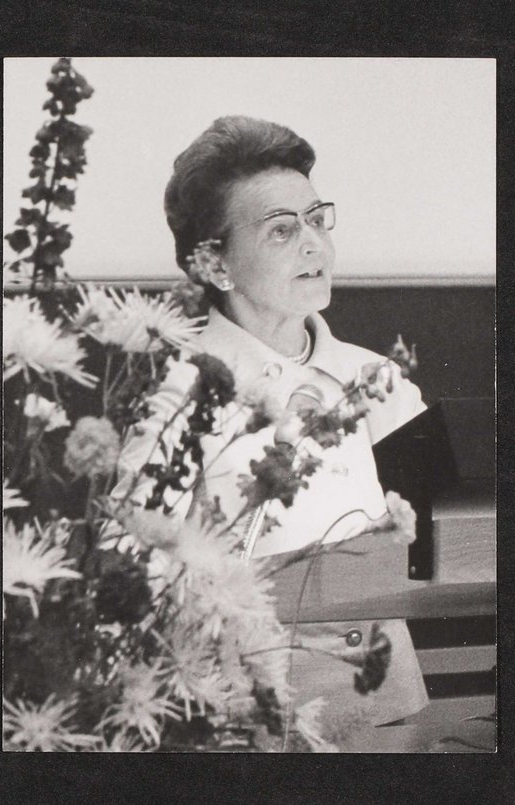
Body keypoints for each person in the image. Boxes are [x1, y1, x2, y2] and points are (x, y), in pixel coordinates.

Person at [110, 115, 429, 737]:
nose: (315, 245)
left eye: (317, 219)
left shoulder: (378, 379)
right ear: (216, 265)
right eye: (282, 229)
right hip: (251, 712)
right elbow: (132, 570)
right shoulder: (179, 394)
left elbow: (443, 545)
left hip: (386, 704)